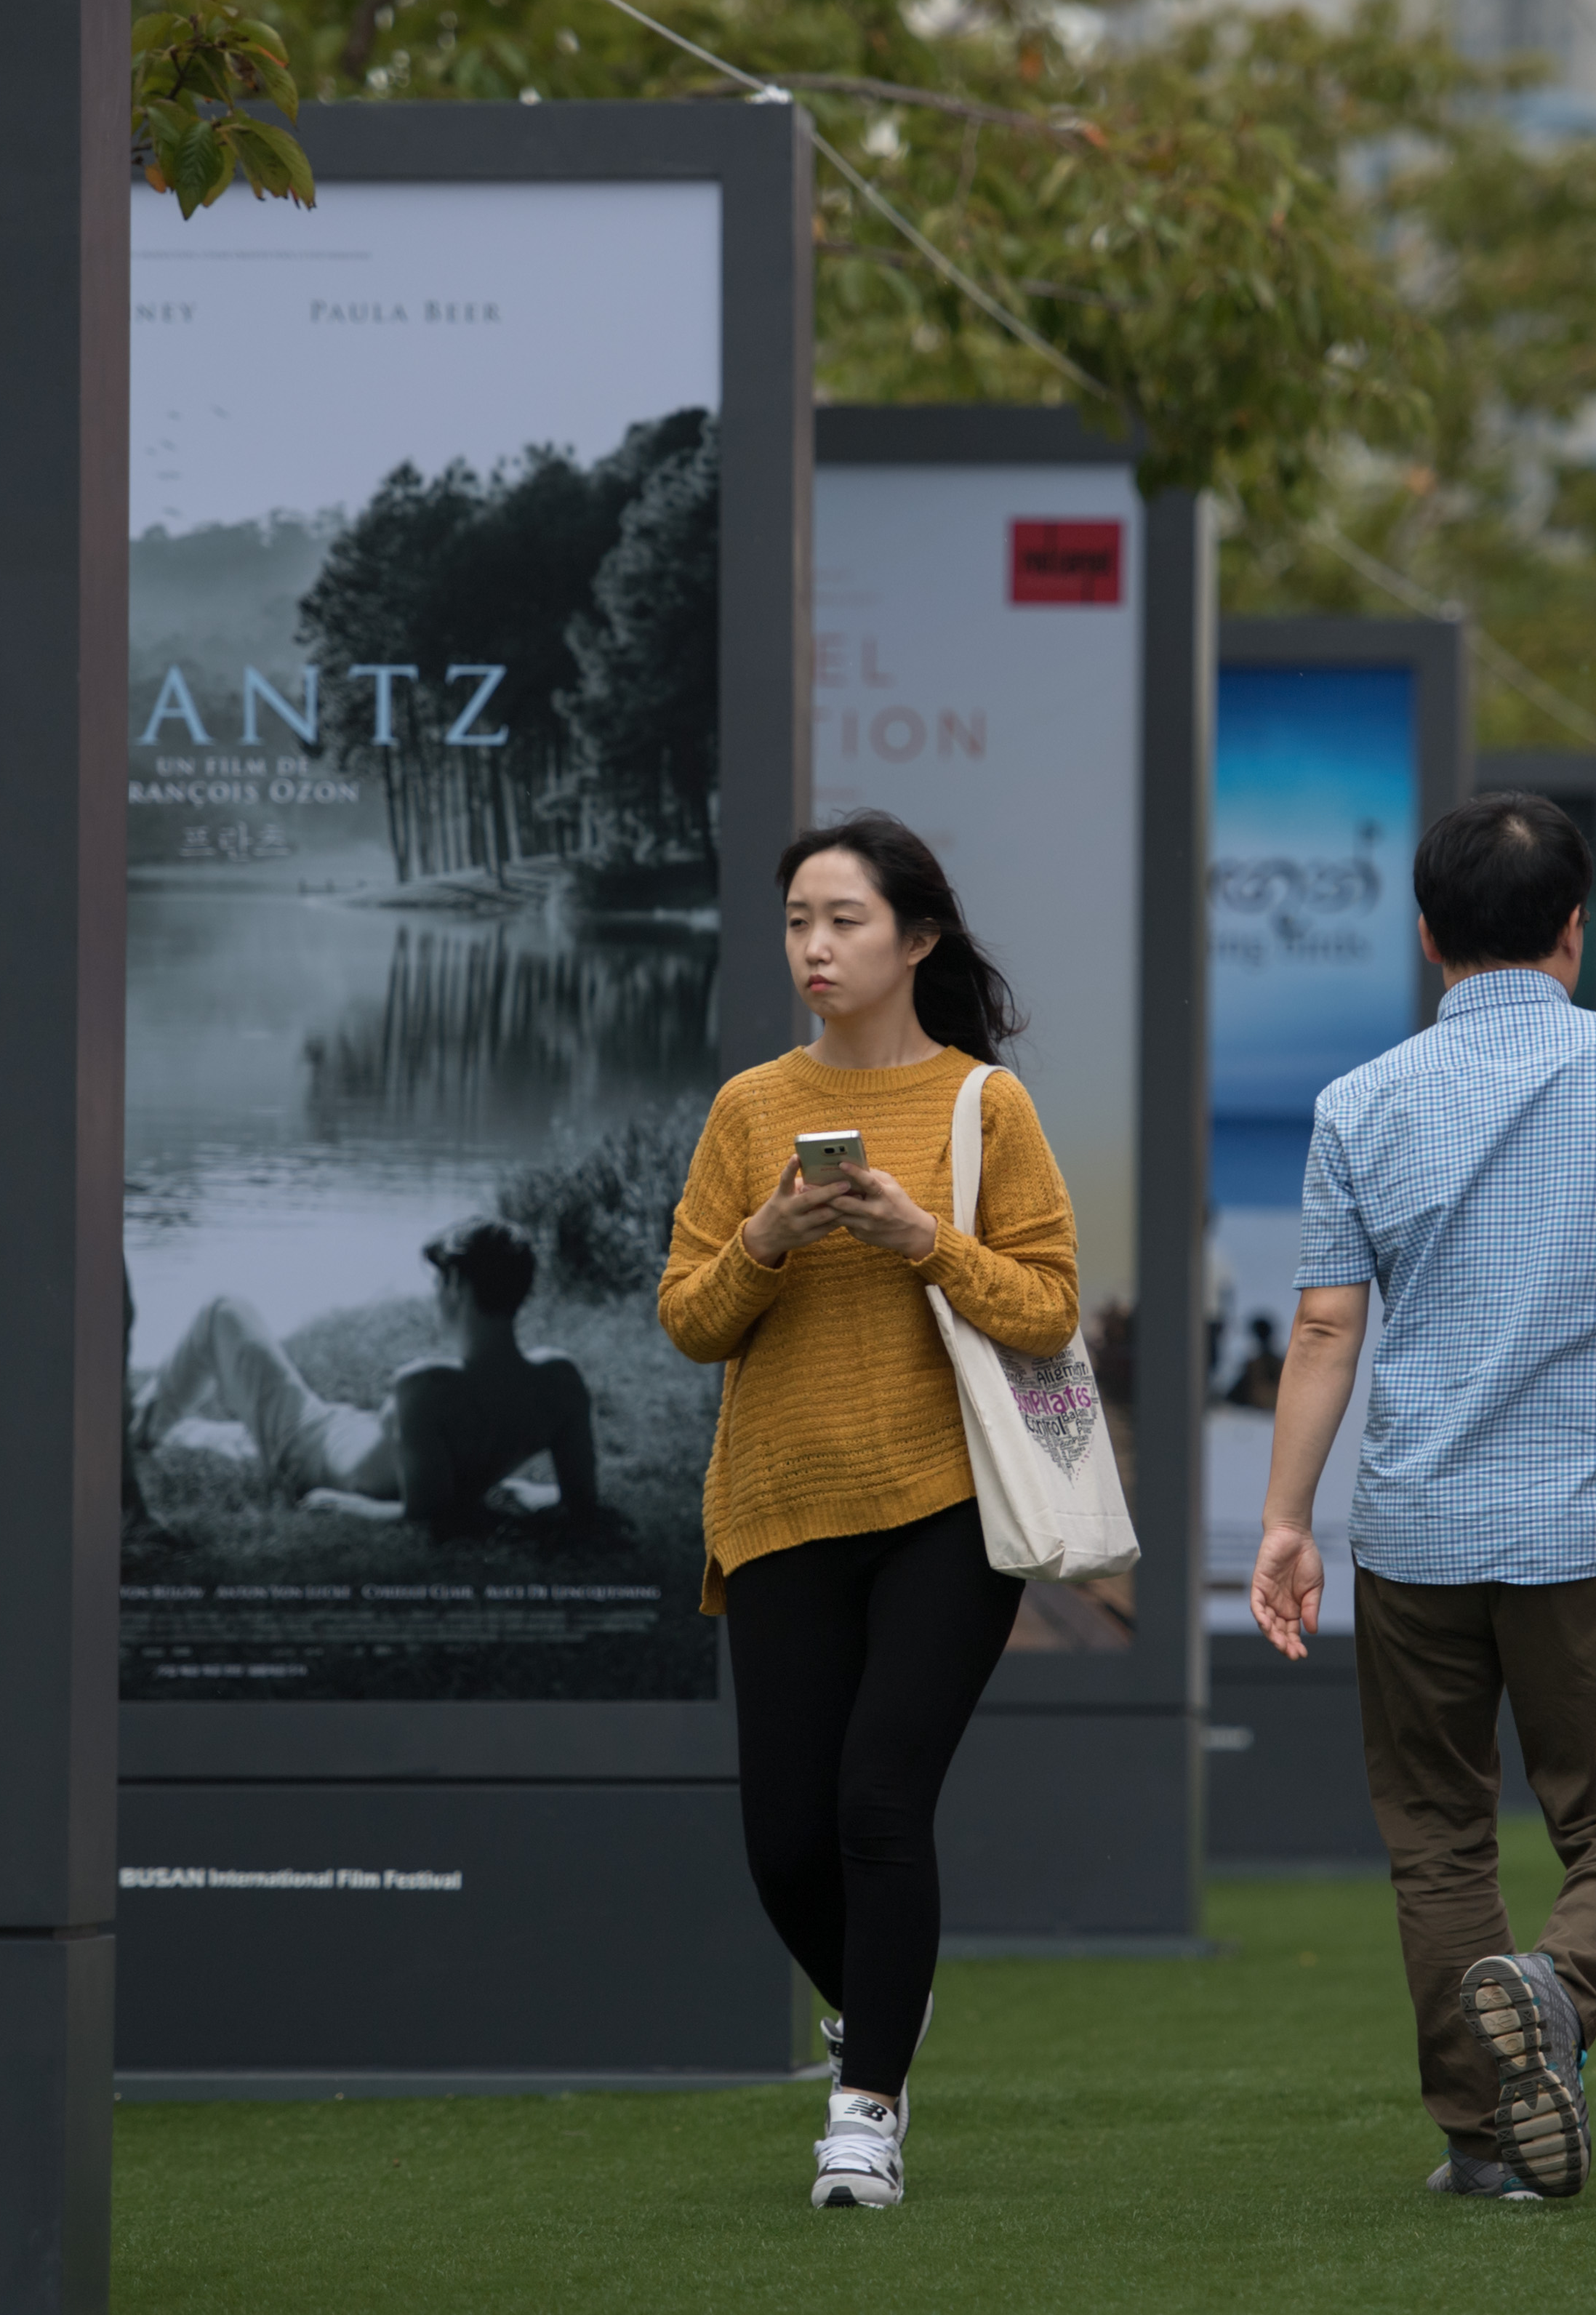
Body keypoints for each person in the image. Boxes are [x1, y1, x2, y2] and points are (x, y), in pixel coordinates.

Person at [1248, 791, 1596, 2204]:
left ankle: (1478, 2140)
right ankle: (1557, 1989)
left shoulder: (1358, 1101)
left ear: (1426, 936)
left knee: (1435, 1837)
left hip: (1412, 1529)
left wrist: (1286, 1518)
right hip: (1591, 1530)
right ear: (1575, 930)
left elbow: (1319, 1332)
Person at [657, 811, 1078, 2212]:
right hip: (778, 1504)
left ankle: (863, 2108)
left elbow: (1049, 1306)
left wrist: (926, 1243)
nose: (814, 946)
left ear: (915, 939)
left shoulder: (982, 1107)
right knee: (781, 1839)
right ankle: (881, 2005)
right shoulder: (745, 1109)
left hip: (946, 1507)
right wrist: (767, 1240)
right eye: (795, 921)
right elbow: (687, 1324)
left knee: (876, 1800)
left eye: (841, 919)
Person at [134, 1218, 601, 1537]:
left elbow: (425, 1519)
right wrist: (501, 1496)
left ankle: (135, 1431)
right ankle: (150, 1420)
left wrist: (345, 1505)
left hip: (309, 1445)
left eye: (439, 1284)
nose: (436, 1298)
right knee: (213, 1436)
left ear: (456, 1285)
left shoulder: (428, 1387)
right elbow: (581, 1503)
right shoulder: (559, 1381)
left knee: (223, 1311)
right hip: (341, 1432)